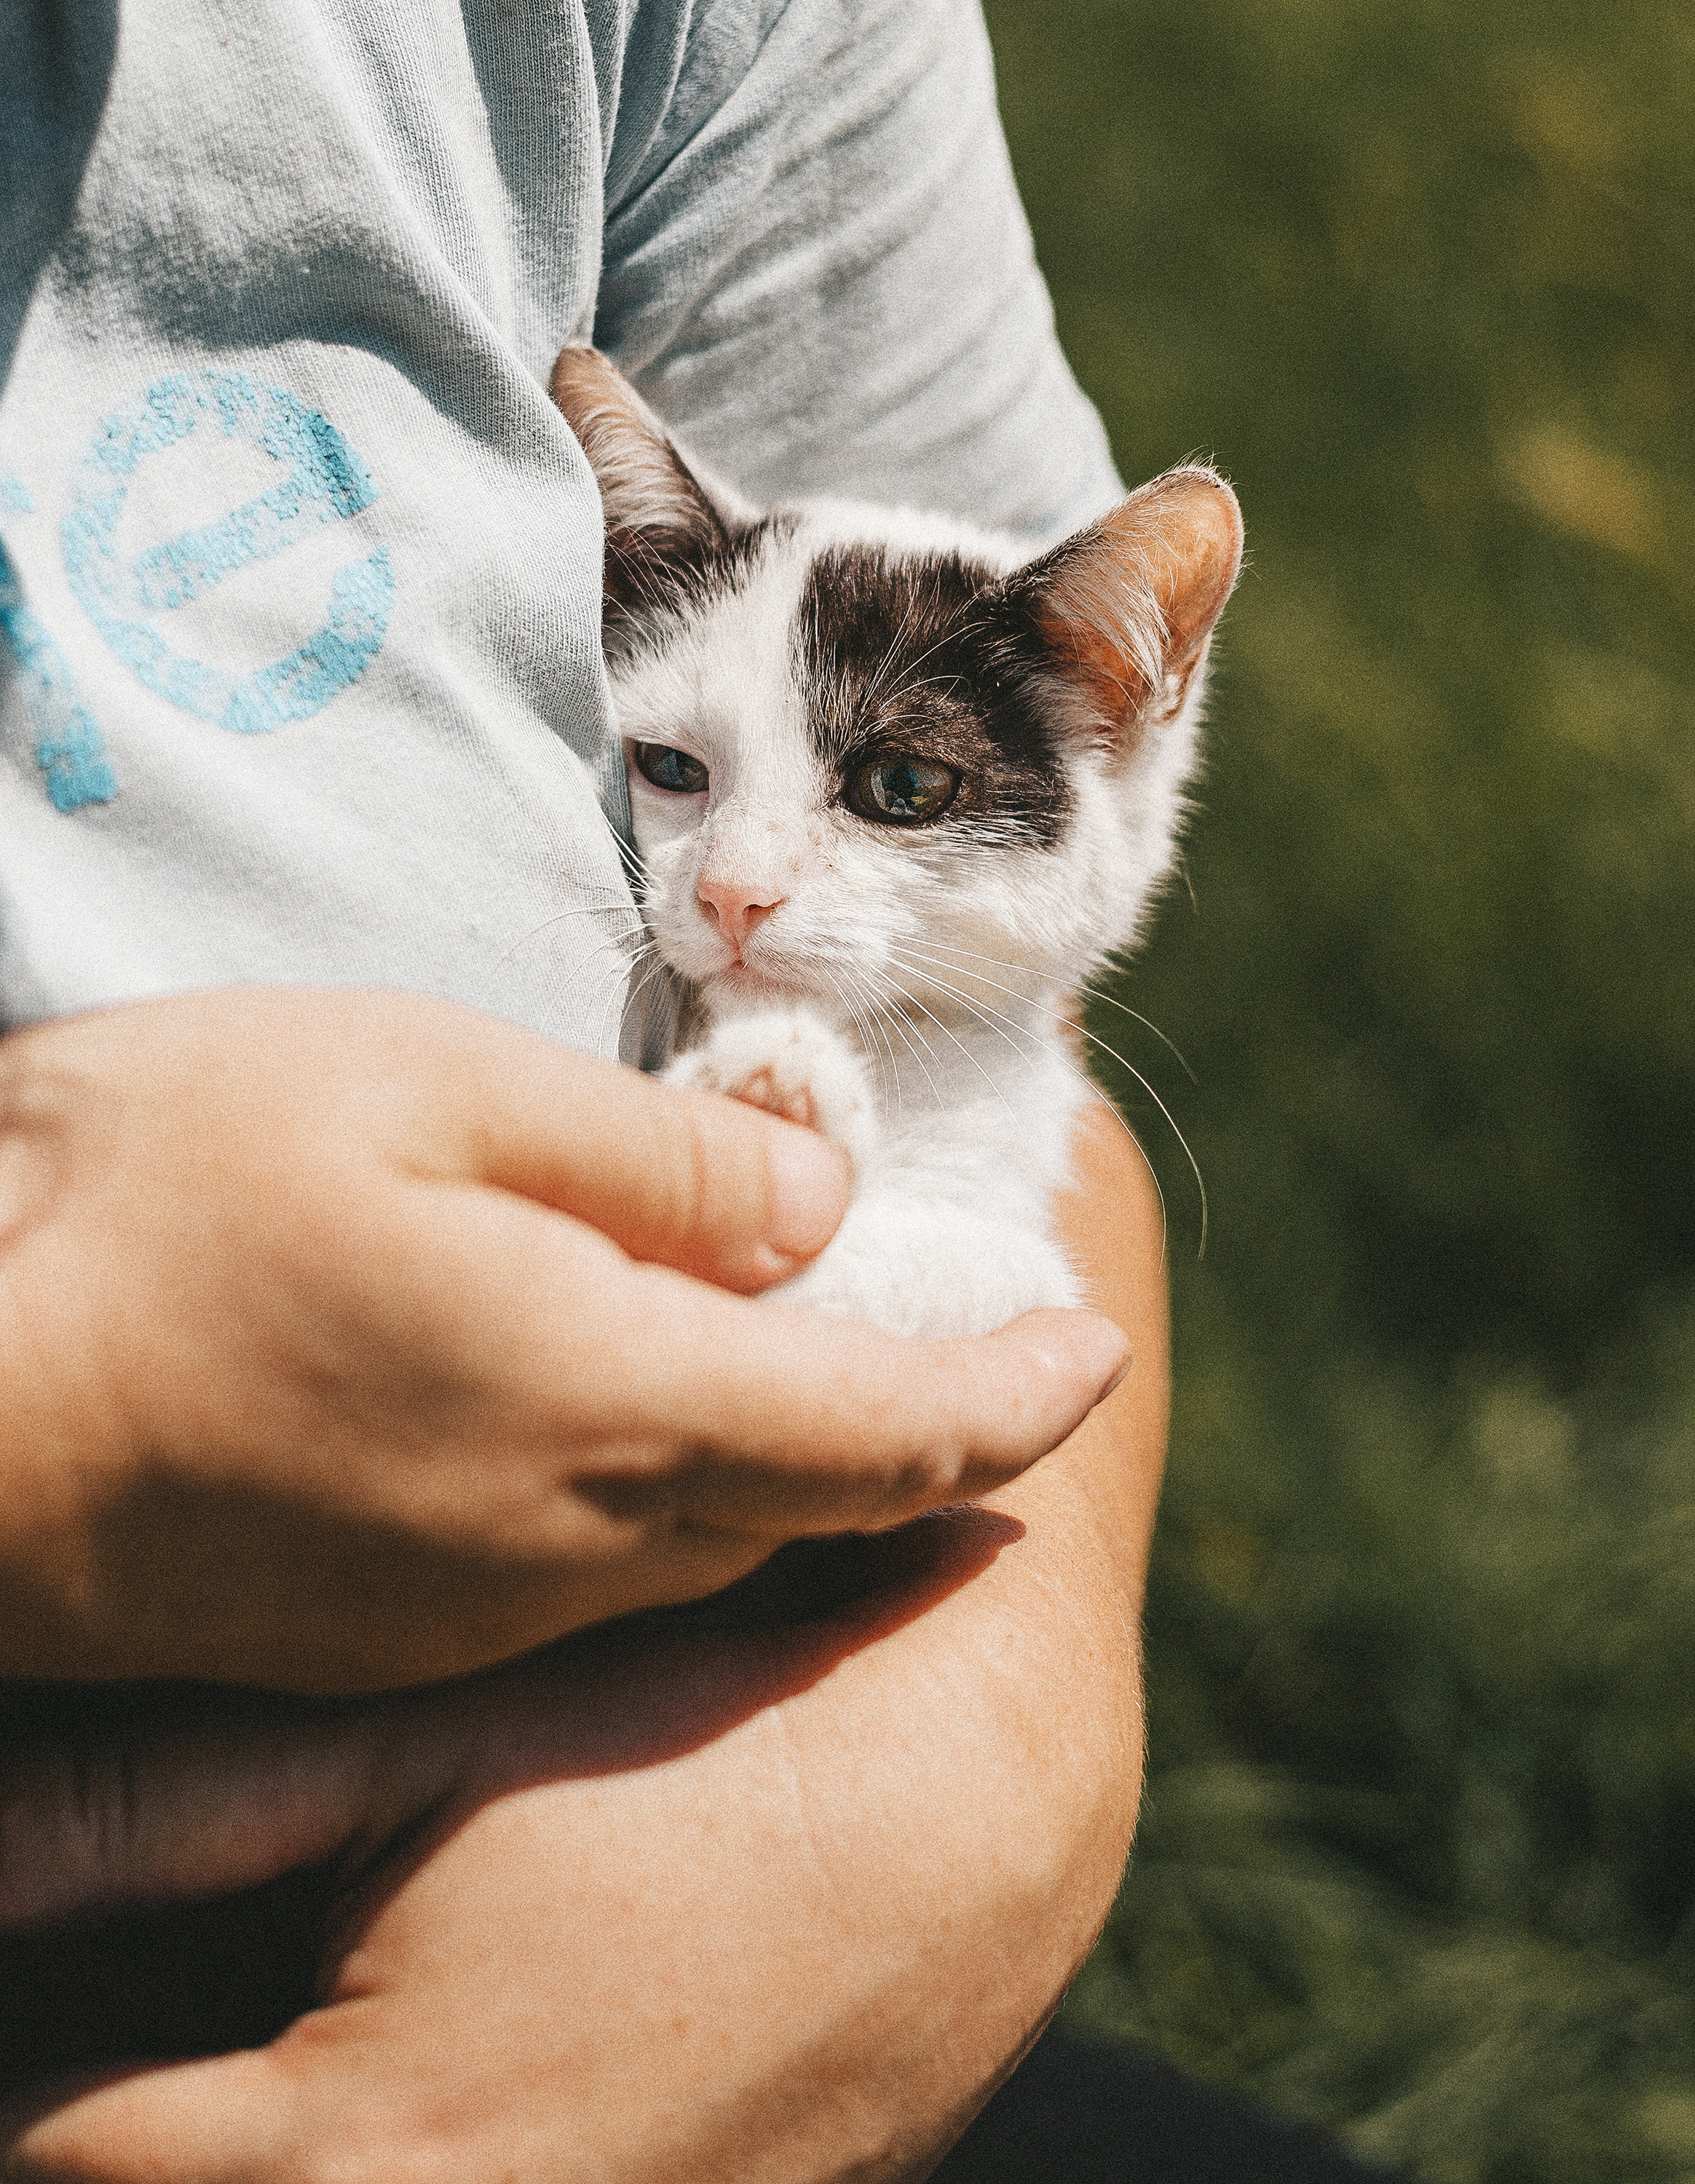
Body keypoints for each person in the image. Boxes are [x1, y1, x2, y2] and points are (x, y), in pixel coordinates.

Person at [0, 0, 1167, 2173]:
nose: (733, 889)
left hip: (687, 1891)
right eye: (674, 774)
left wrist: (966, 1778)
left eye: (893, 792)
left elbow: (1011, 1106)